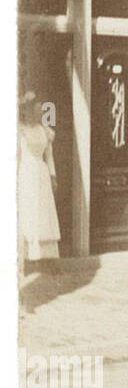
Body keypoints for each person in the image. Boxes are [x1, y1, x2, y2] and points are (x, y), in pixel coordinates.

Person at [18, 91, 61, 264]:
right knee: (29, 212)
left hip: (42, 174)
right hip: (27, 173)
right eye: (36, 110)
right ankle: (28, 255)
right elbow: (17, 155)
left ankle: (45, 255)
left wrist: (53, 176)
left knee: (44, 213)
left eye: (41, 110)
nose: (39, 113)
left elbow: (49, 156)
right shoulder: (20, 131)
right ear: (27, 111)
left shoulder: (44, 130)